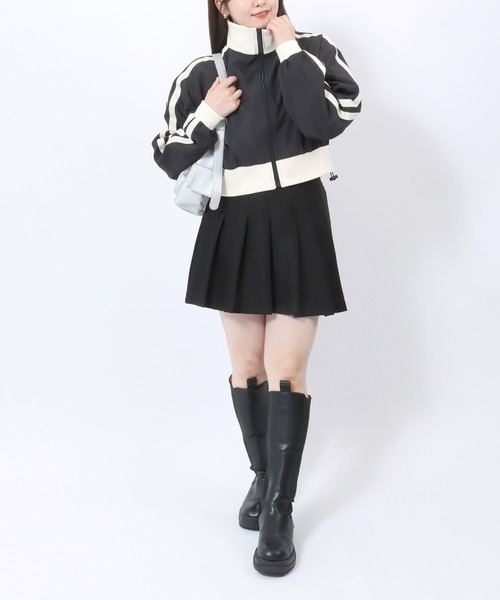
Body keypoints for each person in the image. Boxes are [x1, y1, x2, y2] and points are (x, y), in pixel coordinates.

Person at [152, 0, 361, 577]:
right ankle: (264, 477)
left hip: (300, 220)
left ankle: (278, 512)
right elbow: (167, 155)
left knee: (286, 370)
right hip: (235, 224)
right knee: (248, 368)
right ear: (221, 4)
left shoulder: (313, 51)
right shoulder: (204, 72)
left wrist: (288, 47)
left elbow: (322, 121)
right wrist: (209, 113)